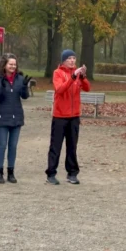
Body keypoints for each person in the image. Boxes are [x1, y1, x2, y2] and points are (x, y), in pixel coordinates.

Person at [46, 49, 90, 185]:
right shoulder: (57, 73)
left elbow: (87, 88)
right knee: (56, 146)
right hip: (60, 116)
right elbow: (60, 89)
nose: (72, 61)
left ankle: (72, 173)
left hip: (74, 116)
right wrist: (72, 78)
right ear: (63, 60)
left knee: (72, 146)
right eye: (69, 58)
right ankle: (51, 174)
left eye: (74, 58)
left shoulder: (77, 74)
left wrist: (82, 76)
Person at [0, 53, 31, 184]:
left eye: (14, 64)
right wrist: (2, 86)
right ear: (4, 65)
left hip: (16, 117)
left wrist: (25, 86)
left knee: (13, 146)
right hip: (2, 117)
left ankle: (11, 172)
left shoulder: (19, 79)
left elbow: (25, 96)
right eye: (10, 64)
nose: (13, 66)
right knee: (2, 145)